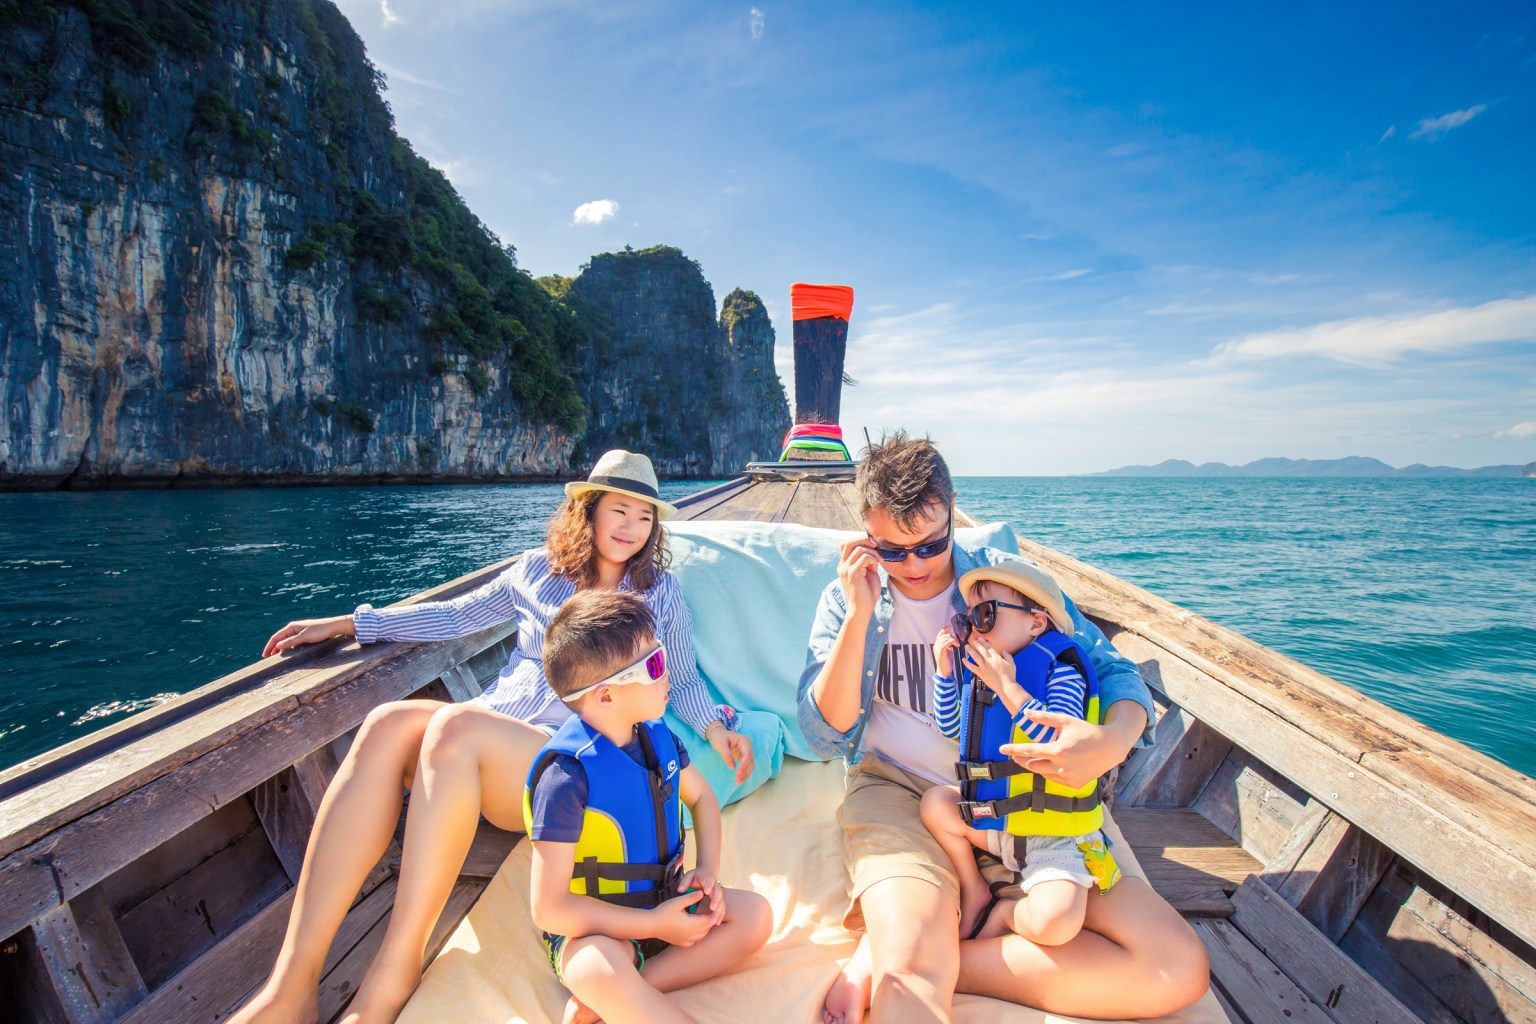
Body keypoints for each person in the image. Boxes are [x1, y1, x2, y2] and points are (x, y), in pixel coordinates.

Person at [230, 450, 755, 1024]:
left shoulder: (660, 595)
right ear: (588, 512)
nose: (630, 527)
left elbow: (676, 678)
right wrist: (356, 623)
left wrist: (717, 729)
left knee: (452, 726)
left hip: (564, 761)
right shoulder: (535, 571)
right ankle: (292, 985)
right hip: (490, 730)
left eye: (644, 517)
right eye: (619, 510)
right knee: (385, 723)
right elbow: (454, 617)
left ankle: (393, 972)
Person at [803, 433, 1208, 1024]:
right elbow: (824, 734)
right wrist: (861, 613)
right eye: (893, 550)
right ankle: (918, 951)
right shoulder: (847, 600)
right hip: (905, 794)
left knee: (1176, 968)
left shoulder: (1007, 585)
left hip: (1026, 800)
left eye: (930, 545)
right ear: (868, 534)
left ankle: (946, 952)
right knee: (910, 977)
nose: (913, 565)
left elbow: (1111, 667)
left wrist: (1111, 739)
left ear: (951, 513)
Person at [527, 589, 772, 1024]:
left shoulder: (660, 739)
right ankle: (618, 994)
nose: (668, 674)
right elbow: (550, 909)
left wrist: (707, 873)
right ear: (605, 697)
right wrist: (653, 925)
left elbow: (703, 799)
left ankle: (622, 995)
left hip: (665, 906)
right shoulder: (566, 779)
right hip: (601, 931)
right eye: (655, 665)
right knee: (595, 966)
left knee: (755, 916)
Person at [922, 561, 1122, 948]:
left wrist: (1007, 686)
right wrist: (944, 673)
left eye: (985, 615)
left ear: (1036, 623)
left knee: (1057, 924)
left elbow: (1055, 742)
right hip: (998, 828)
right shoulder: (992, 672)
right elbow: (951, 728)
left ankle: (1004, 913)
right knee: (935, 803)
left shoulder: (1061, 671)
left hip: (1054, 839)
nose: (973, 629)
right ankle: (973, 884)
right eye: (967, 620)